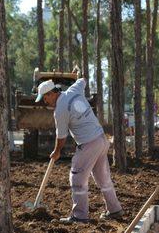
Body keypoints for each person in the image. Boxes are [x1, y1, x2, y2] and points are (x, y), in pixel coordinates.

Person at [36, 78, 123, 223]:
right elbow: (82, 80)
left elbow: (61, 136)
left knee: (77, 179)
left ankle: (79, 216)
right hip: (102, 139)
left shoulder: (60, 110)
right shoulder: (74, 90)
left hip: (88, 143)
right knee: (103, 178)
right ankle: (115, 209)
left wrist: (57, 151)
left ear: (52, 93)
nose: (46, 102)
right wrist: (68, 80)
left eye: (45, 98)